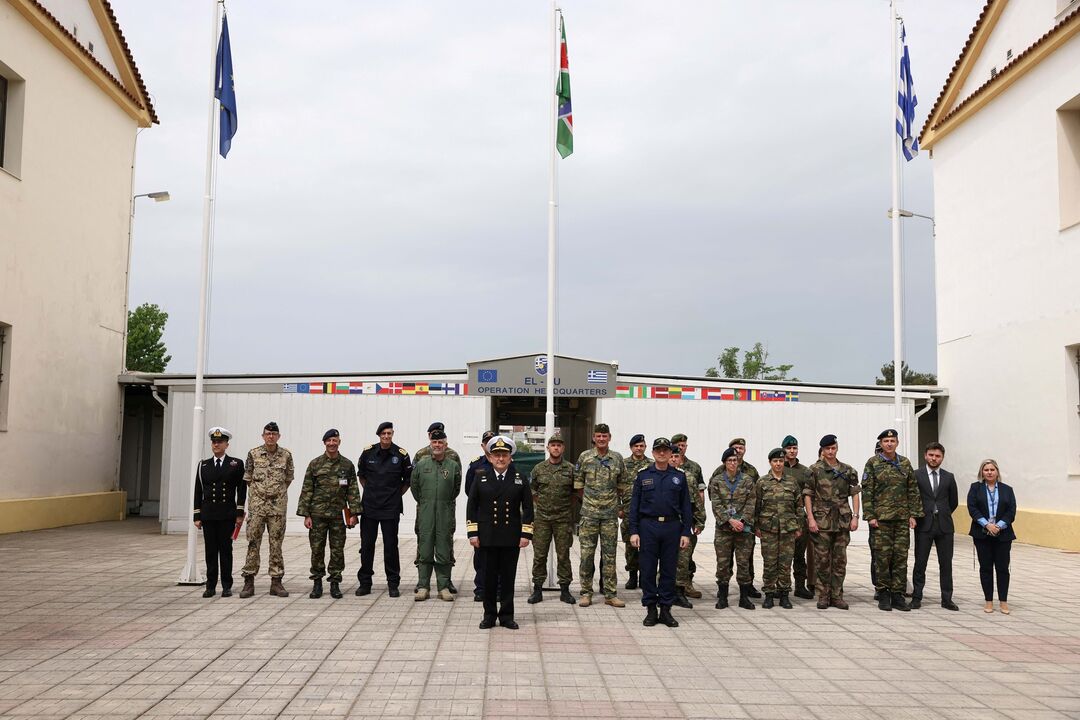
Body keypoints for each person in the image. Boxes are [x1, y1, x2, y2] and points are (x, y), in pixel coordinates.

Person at [467, 435, 533, 629]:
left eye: (504, 455)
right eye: (497, 455)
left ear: (510, 457)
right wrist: (473, 533)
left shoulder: (520, 478)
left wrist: (526, 534)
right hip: (487, 536)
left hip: (510, 536)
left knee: (507, 578)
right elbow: (472, 506)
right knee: (488, 578)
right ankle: (489, 616)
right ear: (490, 457)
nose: (501, 459)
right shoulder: (480, 477)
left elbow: (528, 508)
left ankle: (506, 616)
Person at [629, 437, 692, 628]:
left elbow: (686, 507)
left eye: (666, 450)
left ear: (671, 453)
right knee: (647, 570)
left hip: (672, 528)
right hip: (648, 527)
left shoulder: (679, 477)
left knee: (668, 570)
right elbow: (634, 506)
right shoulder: (643, 475)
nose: (662, 453)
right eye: (658, 450)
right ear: (653, 453)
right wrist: (634, 531)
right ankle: (650, 609)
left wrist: (686, 532)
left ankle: (665, 609)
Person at [862, 429, 923, 612]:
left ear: (897, 443)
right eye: (886, 441)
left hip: (902, 519)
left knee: (900, 558)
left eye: (892, 441)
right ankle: (883, 594)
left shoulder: (904, 463)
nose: (889, 444)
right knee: (882, 558)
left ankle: (898, 595)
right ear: (881, 444)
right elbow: (867, 491)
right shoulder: (873, 463)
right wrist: (870, 516)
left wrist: (913, 514)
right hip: (881, 521)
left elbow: (912, 489)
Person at [297, 428, 360, 599]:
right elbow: (307, 490)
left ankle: (335, 582)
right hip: (317, 515)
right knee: (317, 549)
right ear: (324, 443)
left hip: (338, 516)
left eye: (335, 440)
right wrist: (306, 515)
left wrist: (354, 514)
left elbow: (353, 490)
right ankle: (317, 583)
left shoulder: (347, 465)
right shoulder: (315, 464)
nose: (332, 443)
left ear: (339, 442)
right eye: (329, 441)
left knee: (337, 550)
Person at [574, 423, 629, 608]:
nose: (601, 439)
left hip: (609, 516)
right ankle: (585, 593)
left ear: (609, 437)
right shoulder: (585, 457)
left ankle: (610, 594)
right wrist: (590, 502)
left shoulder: (617, 458)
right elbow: (578, 485)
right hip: (589, 515)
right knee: (586, 555)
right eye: (598, 436)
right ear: (594, 438)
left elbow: (622, 485)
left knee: (610, 556)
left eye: (604, 436)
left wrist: (613, 504)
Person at [356, 421, 413, 597]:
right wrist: (371, 491)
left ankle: (393, 584)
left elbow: (408, 481)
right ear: (379, 435)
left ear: (392, 434)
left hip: (390, 508)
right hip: (370, 507)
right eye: (383, 434)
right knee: (367, 546)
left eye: (389, 433)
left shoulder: (401, 455)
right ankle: (365, 583)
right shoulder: (368, 453)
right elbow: (362, 476)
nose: (386, 436)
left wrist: (395, 495)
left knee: (391, 547)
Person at [804, 434, 860, 609]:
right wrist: (810, 518)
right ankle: (823, 595)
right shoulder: (814, 470)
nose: (830, 451)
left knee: (839, 560)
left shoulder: (848, 470)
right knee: (822, 560)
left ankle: (837, 596)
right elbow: (808, 495)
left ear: (837, 448)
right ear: (822, 450)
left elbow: (855, 493)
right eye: (827, 449)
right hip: (822, 521)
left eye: (833, 448)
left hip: (842, 521)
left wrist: (855, 516)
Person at [240, 421, 294, 598]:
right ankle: (249, 581)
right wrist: (261, 494)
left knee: (276, 543)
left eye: (274, 434)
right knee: (253, 542)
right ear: (263, 436)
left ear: (278, 436)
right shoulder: (253, 454)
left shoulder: (286, 455)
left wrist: (275, 493)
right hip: (257, 507)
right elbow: (248, 478)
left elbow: (288, 478)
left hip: (277, 507)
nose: (271, 436)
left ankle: (276, 582)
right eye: (268, 434)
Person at [193, 427, 246, 598]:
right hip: (209, 515)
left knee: (225, 551)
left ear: (226, 445)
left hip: (226, 514)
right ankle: (210, 586)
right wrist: (197, 515)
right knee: (210, 551)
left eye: (220, 442)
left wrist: (239, 513)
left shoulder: (236, 464)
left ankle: (226, 585)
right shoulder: (203, 465)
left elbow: (241, 489)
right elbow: (198, 491)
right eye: (214, 442)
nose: (216, 445)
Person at [410, 428, 461, 601]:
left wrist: (444, 503)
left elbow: (456, 489)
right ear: (430, 444)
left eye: (440, 442)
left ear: (446, 445)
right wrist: (425, 503)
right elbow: (414, 487)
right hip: (426, 512)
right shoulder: (421, 464)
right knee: (424, 549)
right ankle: (423, 587)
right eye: (434, 442)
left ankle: (443, 587)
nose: (437, 445)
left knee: (444, 549)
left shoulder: (453, 466)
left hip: (445, 512)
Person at [528, 432, 577, 605]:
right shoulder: (539, 469)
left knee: (563, 555)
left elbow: (575, 492)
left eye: (559, 445)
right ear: (548, 448)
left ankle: (565, 590)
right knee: (539, 555)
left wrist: (564, 507)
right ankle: (537, 589)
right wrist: (542, 504)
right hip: (542, 519)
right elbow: (532, 490)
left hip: (563, 519)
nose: (556, 448)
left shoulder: (571, 469)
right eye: (553, 445)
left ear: (563, 448)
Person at [911, 442, 959, 610]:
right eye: (931, 455)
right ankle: (916, 597)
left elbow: (953, 501)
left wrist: (942, 512)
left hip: (945, 526)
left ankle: (947, 599)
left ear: (942, 458)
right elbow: (912, 497)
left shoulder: (949, 477)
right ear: (925, 455)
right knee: (920, 563)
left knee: (946, 564)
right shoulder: (916, 475)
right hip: (924, 525)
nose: (934, 458)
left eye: (937, 456)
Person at [709, 447, 758, 610]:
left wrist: (741, 521)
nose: (732, 463)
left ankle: (744, 598)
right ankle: (723, 597)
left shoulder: (747, 480)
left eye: (735, 460)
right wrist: (730, 520)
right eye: (729, 460)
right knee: (723, 564)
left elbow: (751, 502)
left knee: (743, 563)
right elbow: (716, 504)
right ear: (724, 462)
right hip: (724, 529)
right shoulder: (717, 481)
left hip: (743, 529)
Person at [968, 459, 1016, 614]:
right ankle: (988, 601)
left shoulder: (1007, 489)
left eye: (992, 470)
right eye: (986, 470)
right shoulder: (975, 488)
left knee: (1002, 568)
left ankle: (1003, 601)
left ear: (997, 472)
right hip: (982, 534)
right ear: (982, 472)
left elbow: (1011, 511)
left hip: (1003, 534)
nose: (989, 472)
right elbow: (972, 508)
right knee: (986, 568)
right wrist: (987, 525)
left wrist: (999, 526)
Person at [756, 448, 802, 609]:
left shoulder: (792, 482)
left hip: (788, 529)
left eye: (781, 461)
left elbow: (799, 506)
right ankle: (769, 594)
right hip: (768, 529)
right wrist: (756, 526)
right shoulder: (762, 482)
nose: (778, 464)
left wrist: (798, 526)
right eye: (775, 461)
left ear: (784, 462)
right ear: (770, 462)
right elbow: (756, 506)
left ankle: (784, 595)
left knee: (785, 563)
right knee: (769, 563)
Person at [672, 433, 705, 599]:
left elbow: (698, 502)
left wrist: (700, 522)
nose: (674, 459)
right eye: (672, 456)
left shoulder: (689, 477)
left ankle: (682, 589)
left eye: (677, 456)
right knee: (666, 559)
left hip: (685, 525)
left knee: (684, 559)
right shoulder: (657, 475)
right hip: (665, 526)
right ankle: (665, 589)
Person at [781, 435, 814, 599]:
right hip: (783, 518)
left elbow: (810, 494)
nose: (792, 451)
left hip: (799, 518)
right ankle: (781, 587)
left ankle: (800, 586)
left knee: (800, 555)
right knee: (782, 556)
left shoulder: (805, 471)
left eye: (794, 448)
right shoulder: (778, 468)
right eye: (789, 448)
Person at [728, 437, 762, 598]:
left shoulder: (751, 471)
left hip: (746, 521)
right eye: (735, 448)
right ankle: (723, 586)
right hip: (727, 522)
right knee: (726, 557)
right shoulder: (720, 470)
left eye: (741, 448)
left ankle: (748, 585)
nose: (738, 450)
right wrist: (728, 518)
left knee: (747, 556)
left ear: (745, 450)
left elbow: (757, 496)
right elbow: (714, 496)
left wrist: (749, 520)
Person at [465, 430, 496, 602]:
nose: (490, 445)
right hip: (481, 517)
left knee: (499, 555)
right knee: (480, 556)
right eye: (487, 442)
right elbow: (469, 492)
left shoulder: (506, 463)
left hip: (500, 518)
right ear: (483, 446)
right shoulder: (475, 465)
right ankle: (481, 588)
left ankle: (498, 589)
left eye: (493, 441)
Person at [621, 434, 651, 590]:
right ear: (631, 447)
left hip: (647, 512)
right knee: (630, 546)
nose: (639, 448)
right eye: (636, 446)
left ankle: (644, 576)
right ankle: (632, 575)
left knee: (647, 546)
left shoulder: (651, 465)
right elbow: (615, 486)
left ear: (645, 447)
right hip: (628, 511)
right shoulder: (623, 464)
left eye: (641, 446)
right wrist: (619, 507)